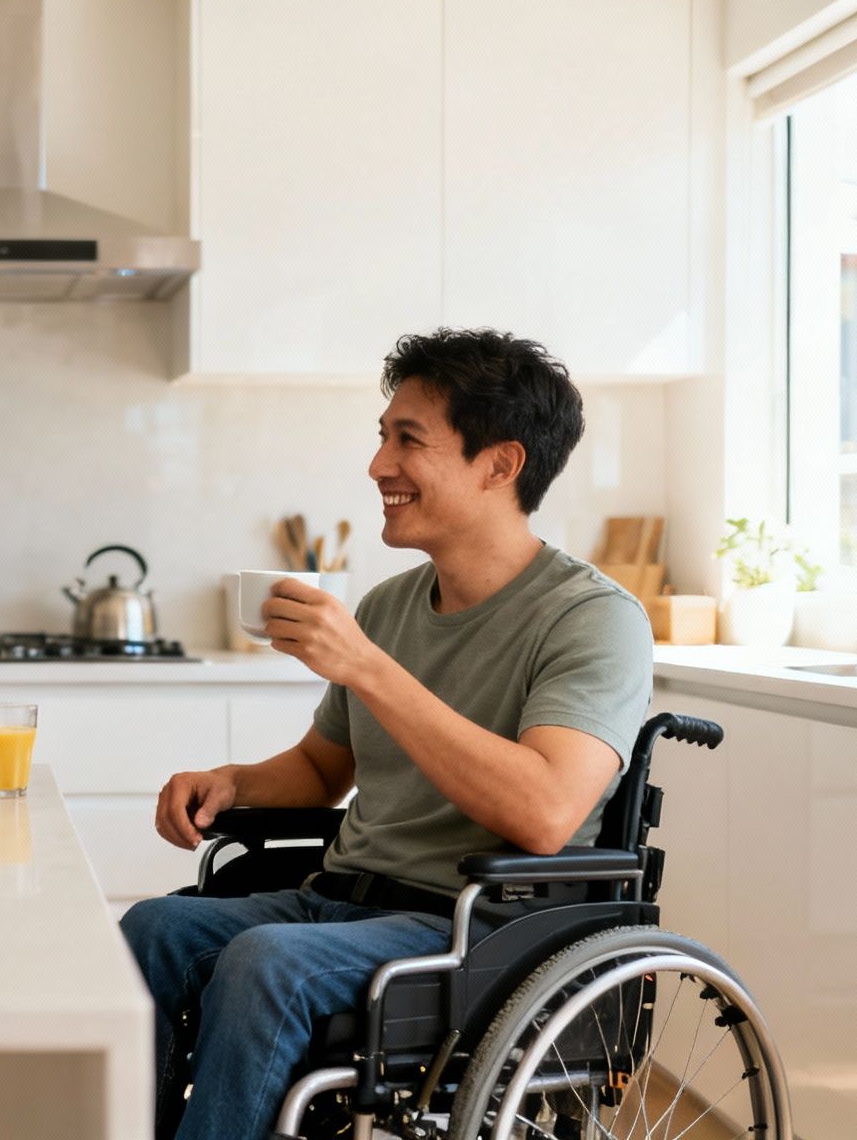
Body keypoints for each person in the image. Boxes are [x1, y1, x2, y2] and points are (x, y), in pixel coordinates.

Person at [120, 328, 654, 1140]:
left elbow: (547, 812)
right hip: (337, 902)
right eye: (382, 437)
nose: (378, 466)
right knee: (154, 930)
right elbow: (319, 768)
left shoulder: (593, 619)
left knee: (266, 966)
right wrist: (231, 782)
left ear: (500, 465)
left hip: (474, 930)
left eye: (409, 440)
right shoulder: (389, 607)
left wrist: (370, 669)